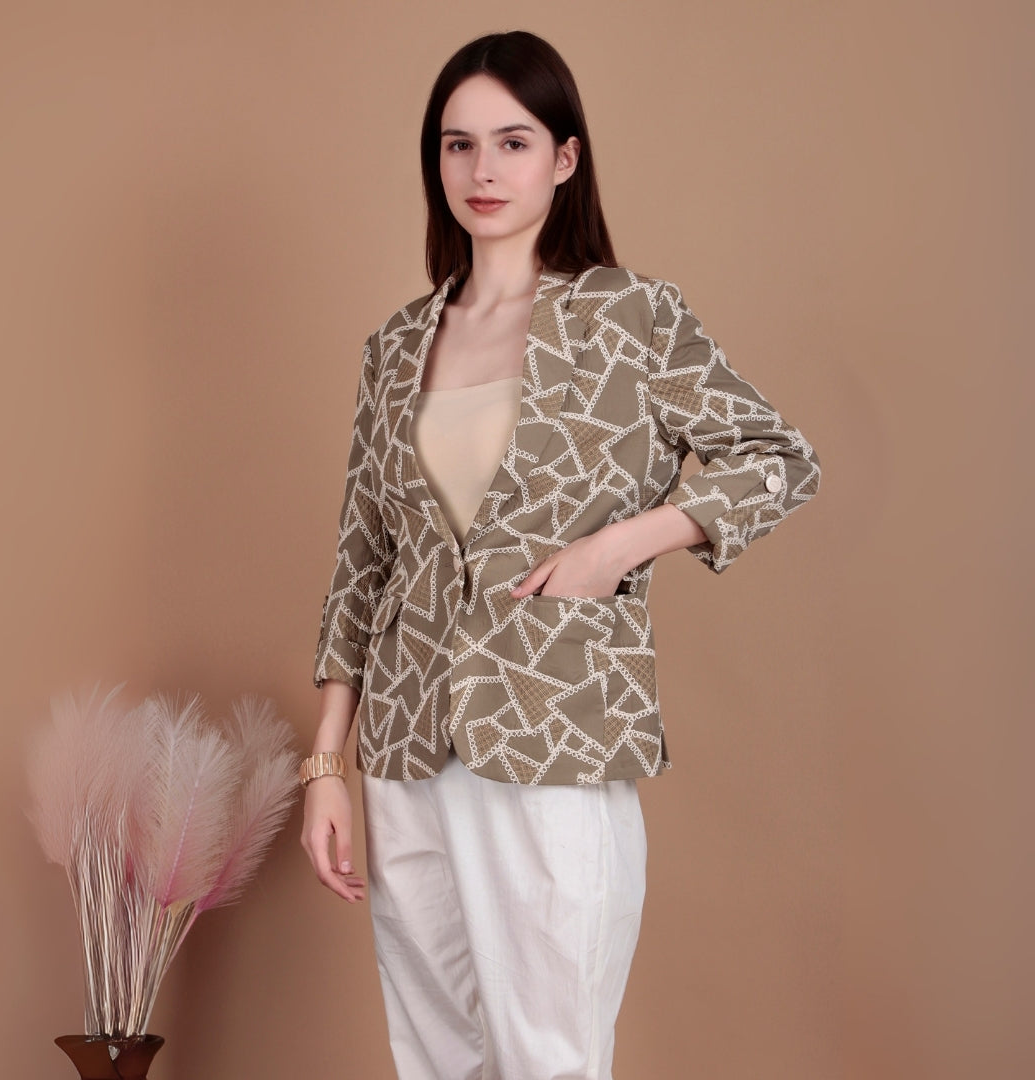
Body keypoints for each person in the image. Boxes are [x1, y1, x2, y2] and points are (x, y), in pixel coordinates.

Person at [301, 29, 821, 1080]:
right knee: (436, 1057)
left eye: (513, 142)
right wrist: (325, 764)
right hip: (406, 749)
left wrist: (620, 546)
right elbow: (363, 559)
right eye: (458, 145)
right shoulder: (395, 347)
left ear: (565, 159)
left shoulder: (632, 317)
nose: (483, 171)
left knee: (551, 1058)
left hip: (555, 730)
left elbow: (779, 460)